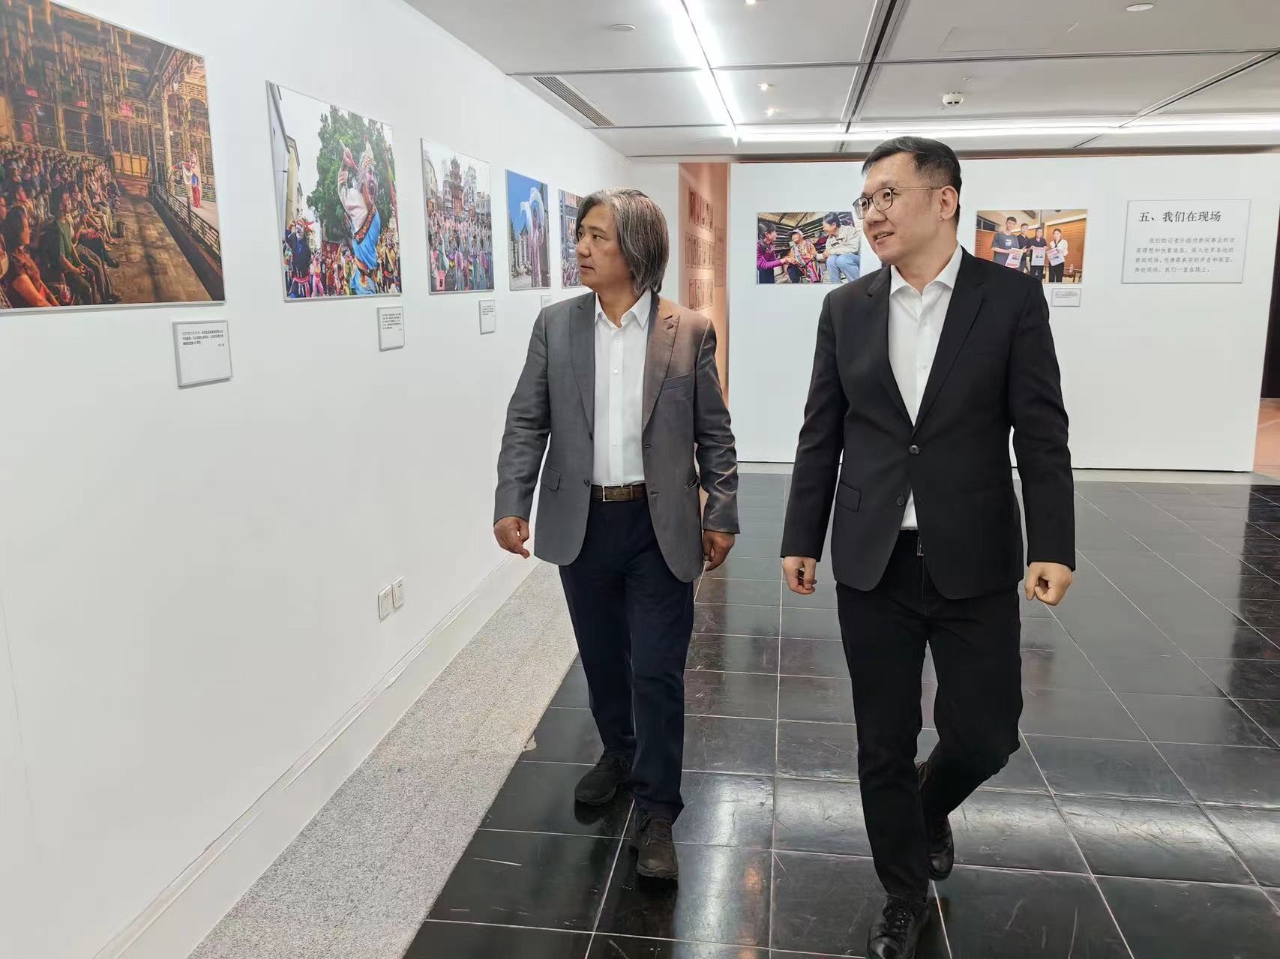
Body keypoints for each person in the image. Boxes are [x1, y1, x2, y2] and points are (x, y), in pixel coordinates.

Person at [781, 136, 1074, 959]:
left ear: (944, 200)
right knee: (882, 735)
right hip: (872, 555)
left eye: (887, 195)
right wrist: (801, 535)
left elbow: (1042, 433)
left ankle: (924, 804)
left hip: (974, 550)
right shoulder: (846, 308)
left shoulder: (1010, 300)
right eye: (863, 200)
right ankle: (903, 890)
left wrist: (1054, 542)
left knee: (986, 732)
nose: (871, 212)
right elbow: (821, 433)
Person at [494, 188, 738, 882]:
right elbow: (526, 421)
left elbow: (715, 434)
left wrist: (721, 510)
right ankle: (619, 752)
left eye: (598, 236)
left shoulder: (686, 330)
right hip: (584, 523)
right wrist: (512, 499)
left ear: (635, 247)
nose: (581, 247)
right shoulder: (556, 327)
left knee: (656, 670)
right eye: (581, 235)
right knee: (602, 659)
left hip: (659, 525)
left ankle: (658, 809)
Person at [3, 206, 56, 308]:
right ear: (17, 231)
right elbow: (38, 302)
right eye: (27, 227)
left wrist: (51, 297)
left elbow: (37, 279)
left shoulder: (21, 252)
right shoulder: (14, 266)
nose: (29, 230)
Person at [820, 212, 861, 283]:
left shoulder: (849, 230)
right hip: (843, 260)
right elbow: (827, 253)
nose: (823, 229)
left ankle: (858, 285)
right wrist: (823, 255)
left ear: (833, 225)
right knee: (830, 260)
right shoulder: (829, 239)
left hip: (858, 259)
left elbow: (853, 249)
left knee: (842, 259)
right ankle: (836, 286)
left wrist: (831, 252)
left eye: (824, 226)